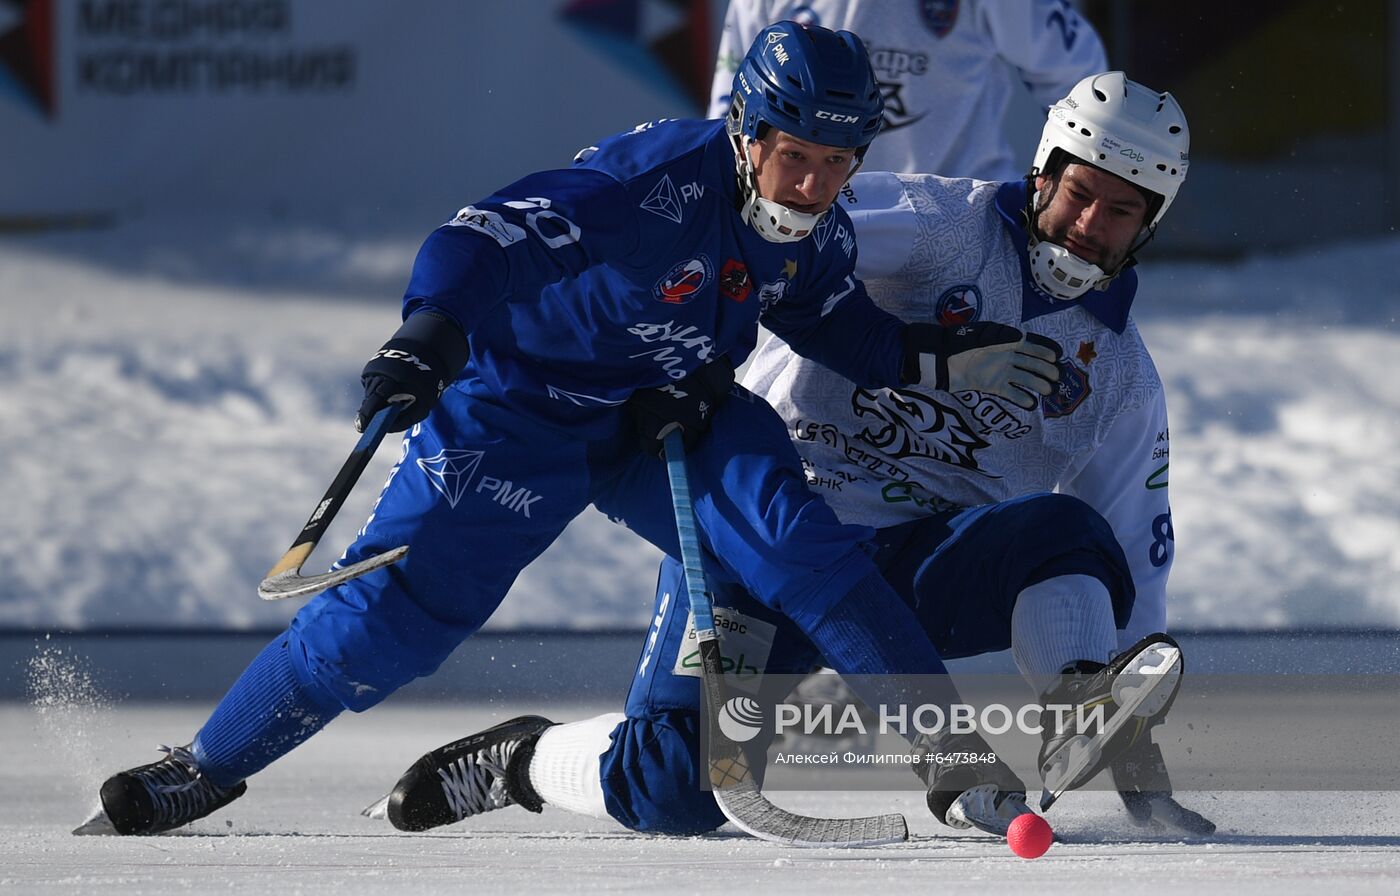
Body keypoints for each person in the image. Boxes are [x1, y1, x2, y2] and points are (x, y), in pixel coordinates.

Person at [89, 21, 1079, 838]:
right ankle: (207, 764)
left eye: (835, 163)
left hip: (669, 417)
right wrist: (429, 332)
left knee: (799, 543)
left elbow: (827, 319)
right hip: (517, 413)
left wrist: (936, 362)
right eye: (792, 159)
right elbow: (482, 235)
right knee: (393, 621)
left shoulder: (813, 228)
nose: (811, 187)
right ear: (744, 134)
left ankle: (954, 764)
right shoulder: (652, 188)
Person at [381, 72, 1209, 839]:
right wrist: (687, 351)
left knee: (1065, 532)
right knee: (676, 788)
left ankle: (1075, 705)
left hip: (910, 577)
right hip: (765, 532)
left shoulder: (1124, 379)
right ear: (1043, 174)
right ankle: (521, 761)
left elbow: (1137, 555)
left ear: (1153, 225)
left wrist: (1130, 740)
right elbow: (768, 236)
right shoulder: (934, 223)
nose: (1091, 226)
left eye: (1121, 211)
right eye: (1079, 194)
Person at [709, 0, 1108, 180]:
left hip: (958, 222)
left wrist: (1071, 176)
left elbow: (1080, 80)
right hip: (811, 222)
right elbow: (731, 110)